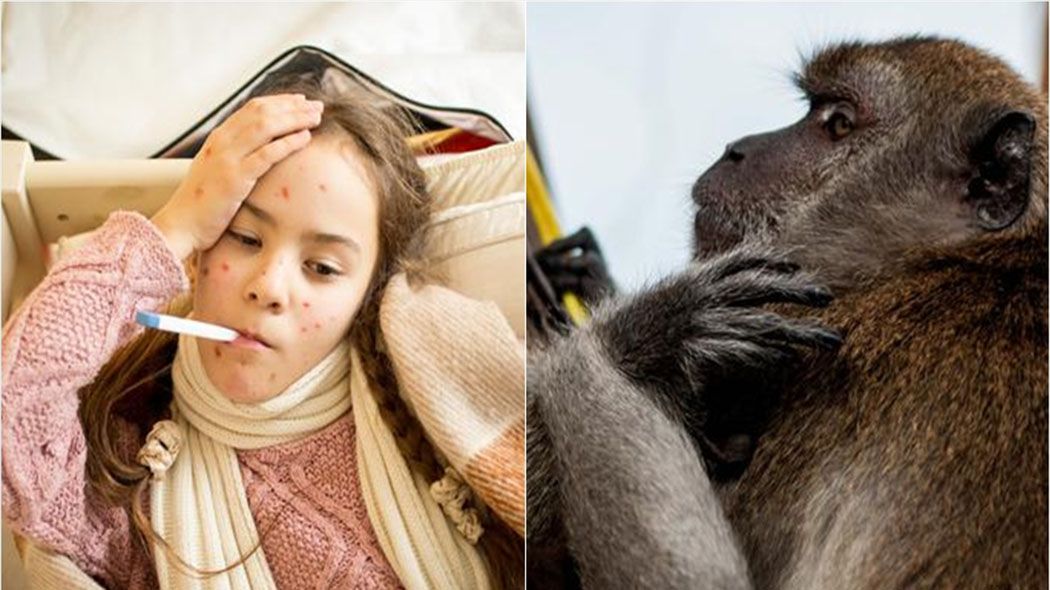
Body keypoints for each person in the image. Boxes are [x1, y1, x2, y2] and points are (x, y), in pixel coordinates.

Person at [2, 83, 524, 589]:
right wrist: (175, 224)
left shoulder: (434, 396)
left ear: (367, 297)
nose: (269, 287)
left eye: (321, 268)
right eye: (244, 238)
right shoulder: (123, 475)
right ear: (198, 255)